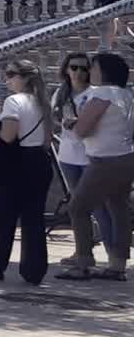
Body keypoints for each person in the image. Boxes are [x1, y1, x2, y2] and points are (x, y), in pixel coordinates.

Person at [0, 60, 53, 285]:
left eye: (11, 74)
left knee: (5, 218)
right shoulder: (43, 102)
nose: (7, 79)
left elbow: (7, 136)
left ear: (24, 78)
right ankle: (34, 271)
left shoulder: (13, 101)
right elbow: (48, 139)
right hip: (40, 163)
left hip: (19, 165)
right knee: (34, 220)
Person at [59, 52, 134, 281]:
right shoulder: (126, 94)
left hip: (104, 160)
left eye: (94, 67)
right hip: (125, 157)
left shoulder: (102, 93)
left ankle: (83, 262)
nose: (90, 71)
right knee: (118, 207)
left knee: (78, 207)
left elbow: (83, 130)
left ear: (104, 71)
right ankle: (118, 265)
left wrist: (72, 124)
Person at [53, 51, 115, 269]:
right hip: (68, 157)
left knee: (99, 208)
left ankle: (113, 257)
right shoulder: (60, 93)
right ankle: (83, 251)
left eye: (83, 68)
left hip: (91, 157)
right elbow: (56, 119)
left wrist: (79, 124)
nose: (78, 72)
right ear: (66, 70)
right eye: (74, 68)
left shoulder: (95, 94)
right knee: (78, 207)